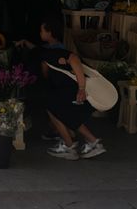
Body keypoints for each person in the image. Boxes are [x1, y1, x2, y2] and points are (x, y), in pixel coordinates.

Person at [16, 16, 106, 160]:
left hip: (68, 90)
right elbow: (41, 52)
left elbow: (73, 59)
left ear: (49, 33)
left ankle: (82, 143)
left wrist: (81, 88)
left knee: (61, 112)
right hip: (61, 90)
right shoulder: (49, 49)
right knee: (59, 112)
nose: (40, 33)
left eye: (41, 31)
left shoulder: (57, 51)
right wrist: (27, 43)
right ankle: (75, 143)